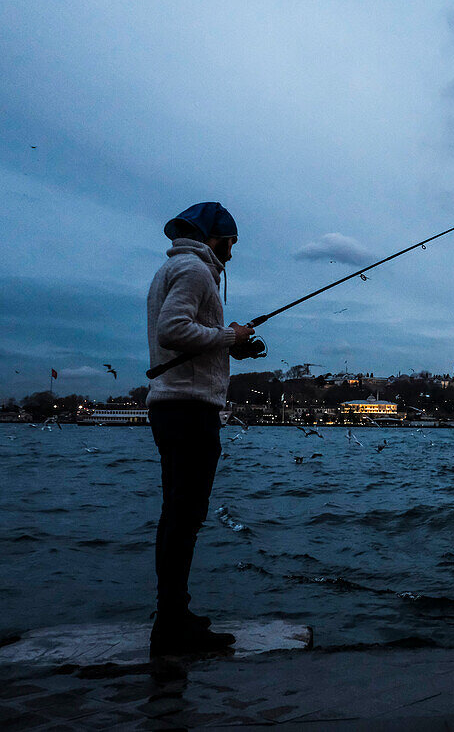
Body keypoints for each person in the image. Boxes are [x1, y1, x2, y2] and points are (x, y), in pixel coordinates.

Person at [146, 202, 254, 656]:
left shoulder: (174, 268)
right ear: (216, 236)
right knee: (184, 519)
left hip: (174, 407)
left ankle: (173, 614)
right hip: (189, 410)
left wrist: (231, 346)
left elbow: (186, 334)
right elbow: (174, 330)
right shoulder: (195, 271)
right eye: (231, 240)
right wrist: (230, 337)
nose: (233, 250)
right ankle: (172, 624)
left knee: (177, 516)